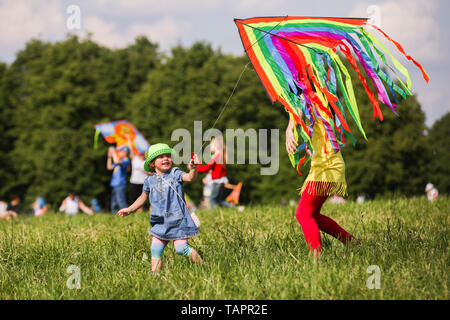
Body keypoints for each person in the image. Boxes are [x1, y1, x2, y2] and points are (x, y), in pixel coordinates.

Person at [118, 143, 203, 275]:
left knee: (181, 249)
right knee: (155, 250)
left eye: (168, 156)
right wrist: (129, 209)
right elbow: (142, 198)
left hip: (178, 221)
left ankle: (204, 266)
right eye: (160, 157)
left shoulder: (175, 173)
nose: (165, 159)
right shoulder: (149, 181)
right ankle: (155, 276)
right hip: (160, 222)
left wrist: (193, 169)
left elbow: (190, 177)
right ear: (152, 163)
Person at [286, 113, 360, 257]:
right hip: (328, 165)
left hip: (326, 167)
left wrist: (289, 129)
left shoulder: (307, 97)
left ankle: (316, 259)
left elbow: (298, 111)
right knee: (313, 214)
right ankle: (352, 242)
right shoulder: (313, 101)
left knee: (303, 214)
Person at [197, 136, 231, 209]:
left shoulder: (216, 157)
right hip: (221, 181)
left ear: (217, 146)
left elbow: (206, 168)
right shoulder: (221, 156)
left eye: (211, 145)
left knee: (212, 199)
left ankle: (213, 214)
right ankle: (236, 208)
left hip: (217, 182)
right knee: (219, 201)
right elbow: (209, 168)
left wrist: (195, 168)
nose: (209, 146)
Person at [107, 145, 131, 213]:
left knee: (121, 202)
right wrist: (109, 157)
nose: (118, 153)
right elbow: (109, 167)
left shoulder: (126, 161)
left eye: (120, 152)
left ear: (125, 152)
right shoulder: (119, 161)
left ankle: (126, 214)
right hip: (115, 184)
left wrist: (113, 152)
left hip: (120, 184)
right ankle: (114, 216)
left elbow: (117, 161)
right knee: (114, 203)